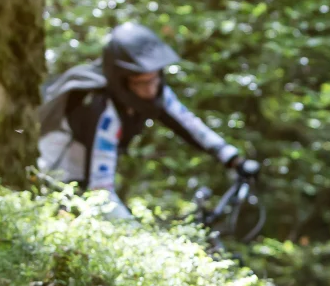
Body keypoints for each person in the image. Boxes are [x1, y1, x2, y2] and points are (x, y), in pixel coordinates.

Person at [38, 22, 260, 218]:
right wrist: (135, 234)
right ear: (121, 81)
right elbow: (100, 190)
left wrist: (232, 158)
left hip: (88, 179)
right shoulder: (101, 108)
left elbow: (187, 122)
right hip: (58, 175)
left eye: (154, 79)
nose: (150, 89)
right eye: (141, 83)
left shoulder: (155, 91)